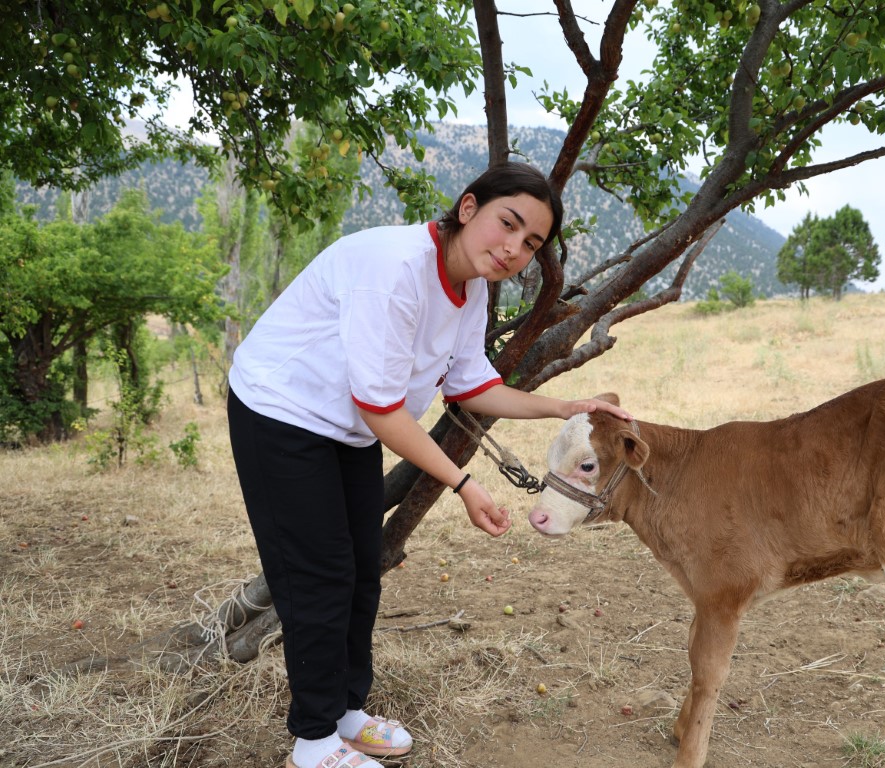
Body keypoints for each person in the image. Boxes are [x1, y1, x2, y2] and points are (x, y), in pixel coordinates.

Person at [227, 162, 631, 768]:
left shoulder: (468, 289)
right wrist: (464, 484)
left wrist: (566, 406)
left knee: (362, 567)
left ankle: (345, 713)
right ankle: (313, 744)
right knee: (319, 575)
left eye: (531, 243)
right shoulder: (395, 270)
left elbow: (472, 386)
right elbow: (382, 410)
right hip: (282, 412)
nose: (514, 249)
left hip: (346, 425)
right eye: (508, 224)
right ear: (468, 208)